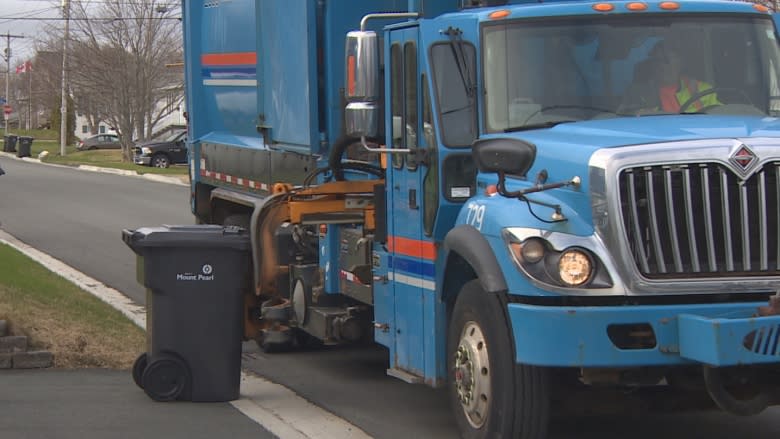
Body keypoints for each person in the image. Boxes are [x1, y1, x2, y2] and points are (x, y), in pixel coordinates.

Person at [628, 42, 721, 113]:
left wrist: (696, 97)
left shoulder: (703, 89)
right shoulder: (639, 93)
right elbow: (626, 119)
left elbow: (720, 117)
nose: (663, 66)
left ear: (681, 63)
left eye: (667, 60)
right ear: (652, 65)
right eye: (658, 61)